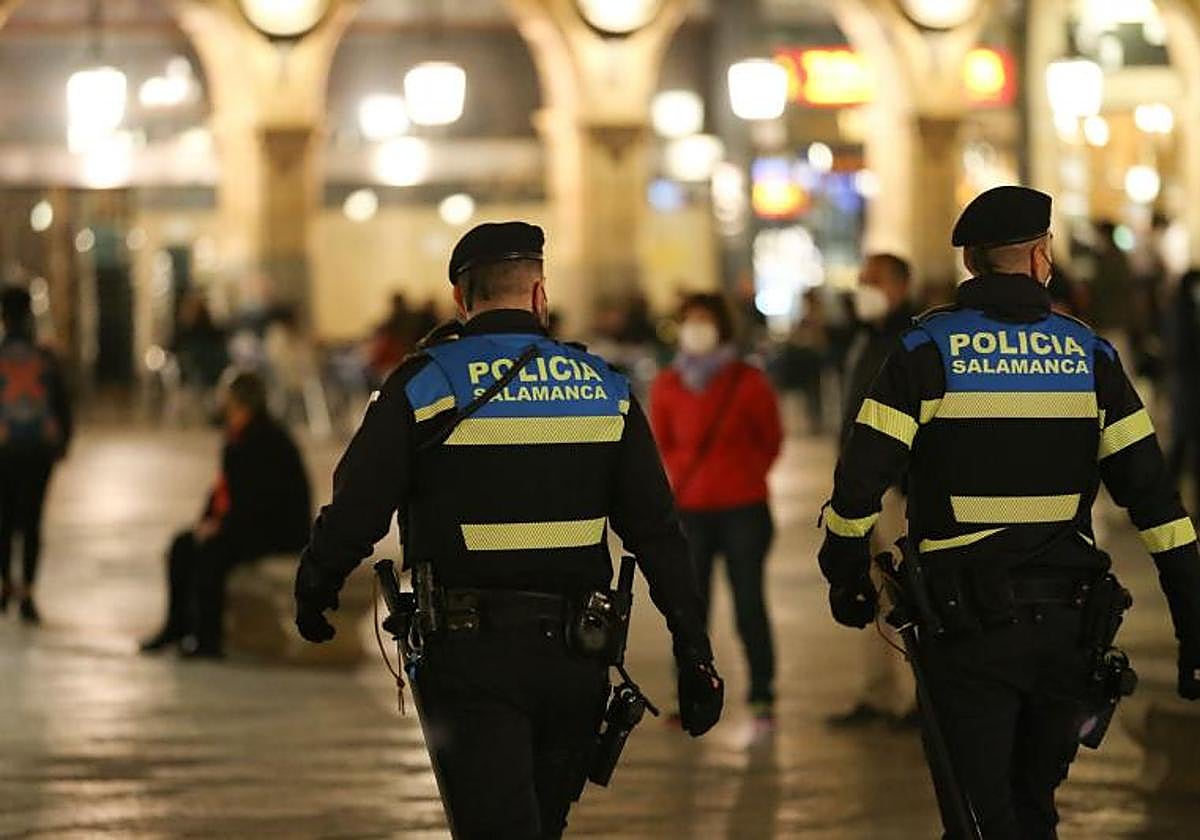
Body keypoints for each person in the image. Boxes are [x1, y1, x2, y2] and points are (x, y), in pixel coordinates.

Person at [294, 222, 724, 838]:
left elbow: (359, 506)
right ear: (539, 293)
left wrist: (317, 585)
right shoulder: (603, 388)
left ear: (461, 300)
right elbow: (657, 532)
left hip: (470, 659)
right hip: (579, 659)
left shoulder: (425, 383)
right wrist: (693, 650)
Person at [817, 186, 1200, 838]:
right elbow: (1158, 504)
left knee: (979, 815)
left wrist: (845, 570)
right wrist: (1193, 623)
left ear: (972, 261)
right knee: (1034, 805)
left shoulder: (923, 352)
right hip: (1071, 627)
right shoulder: (1090, 357)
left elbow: (859, 484)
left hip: (966, 630)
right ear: (1041, 258)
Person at [649, 293, 782, 727]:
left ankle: (761, 691)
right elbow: (662, 442)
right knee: (690, 610)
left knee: (749, 604)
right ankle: (691, 696)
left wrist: (743, 474)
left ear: (723, 327)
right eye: (690, 320)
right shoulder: (668, 383)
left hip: (743, 508)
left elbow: (771, 438)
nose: (697, 328)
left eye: (705, 320)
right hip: (690, 511)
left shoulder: (747, 381)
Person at [141, 372, 311, 658]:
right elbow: (223, 490)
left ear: (238, 402)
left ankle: (207, 639)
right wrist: (207, 521)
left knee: (212, 554)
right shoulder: (239, 435)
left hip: (276, 529)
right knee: (183, 545)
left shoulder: (265, 440)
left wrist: (220, 527)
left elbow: (260, 500)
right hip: (247, 522)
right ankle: (177, 626)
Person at [826, 254, 917, 728]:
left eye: (873, 281)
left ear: (900, 287)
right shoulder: (866, 337)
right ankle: (879, 693)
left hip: (896, 487)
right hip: (862, 487)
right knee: (870, 588)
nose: (863, 289)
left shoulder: (912, 342)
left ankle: (915, 698)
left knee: (906, 591)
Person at [0, 287, 72, 624]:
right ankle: (28, 591)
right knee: (31, 521)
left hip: (4, 449)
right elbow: (62, 401)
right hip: (37, 451)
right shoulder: (45, 356)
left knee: (2, 519)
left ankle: (4, 586)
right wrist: (62, 444)